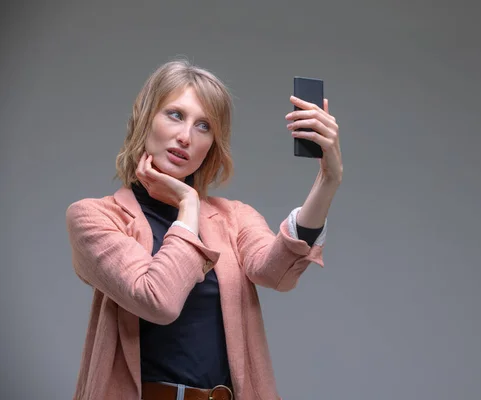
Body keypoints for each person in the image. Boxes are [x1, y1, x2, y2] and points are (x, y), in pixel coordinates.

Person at [65, 59, 343, 400]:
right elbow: (158, 300)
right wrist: (189, 206)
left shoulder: (233, 217)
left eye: (203, 126)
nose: (185, 137)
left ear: (213, 143)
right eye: (175, 115)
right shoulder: (94, 217)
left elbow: (278, 274)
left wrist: (328, 180)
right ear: (145, 117)